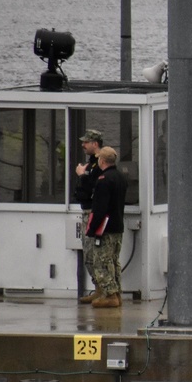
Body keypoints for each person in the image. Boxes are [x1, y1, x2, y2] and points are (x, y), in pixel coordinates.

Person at [86, 147, 128, 308]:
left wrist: (92, 229)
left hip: (105, 228)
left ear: (102, 161)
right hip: (118, 226)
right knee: (114, 261)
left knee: (102, 261)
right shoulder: (120, 177)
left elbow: (100, 208)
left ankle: (110, 295)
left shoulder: (104, 179)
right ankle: (116, 292)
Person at [74, 129, 103, 304]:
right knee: (89, 254)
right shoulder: (92, 163)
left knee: (95, 254)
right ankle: (99, 288)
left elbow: (94, 188)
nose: (83, 145)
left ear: (95, 144)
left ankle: (104, 290)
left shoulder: (99, 164)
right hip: (87, 210)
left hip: (93, 212)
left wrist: (82, 175)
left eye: (86, 142)